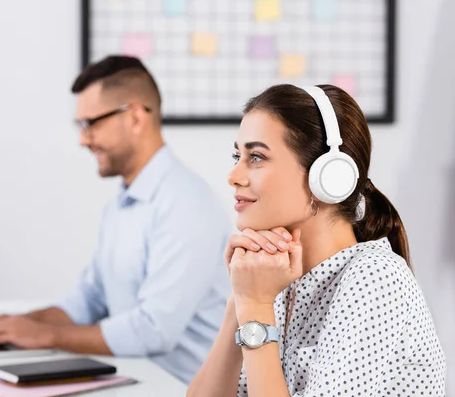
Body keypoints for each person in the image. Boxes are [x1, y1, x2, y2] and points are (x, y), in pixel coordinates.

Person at [0, 55, 232, 384]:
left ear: (135, 117)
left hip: (179, 386)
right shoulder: (123, 204)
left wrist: (45, 335)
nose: (83, 139)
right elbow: (90, 299)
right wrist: (21, 324)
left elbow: (153, 330)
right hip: (134, 376)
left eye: (91, 123)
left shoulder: (186, 204)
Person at [187, 84, 446, 396]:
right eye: (237, 155)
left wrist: (255, 307)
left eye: (255, 157)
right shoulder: (278, 282)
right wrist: (240, 302)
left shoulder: (375, 278)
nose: (234, 175)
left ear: (327, 177)